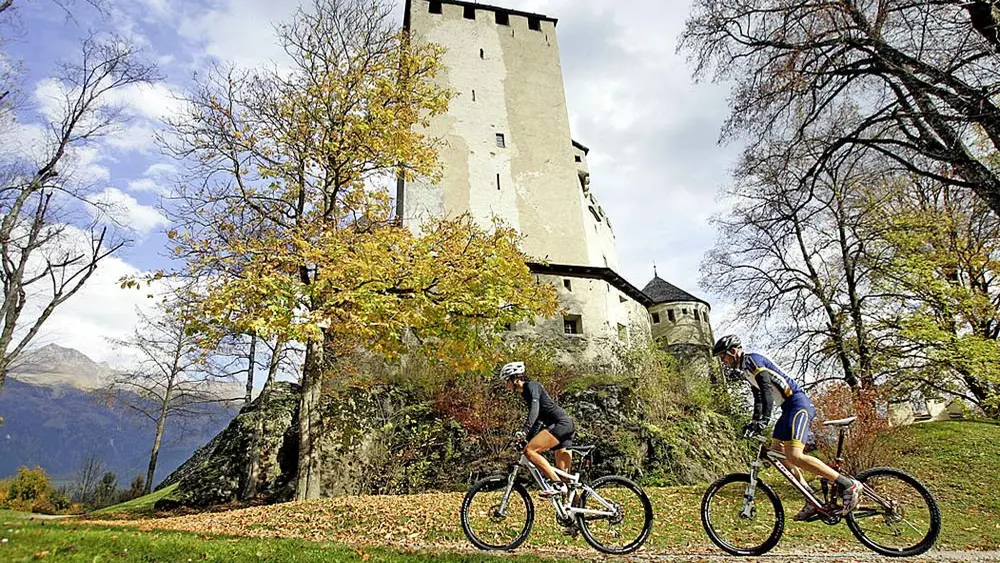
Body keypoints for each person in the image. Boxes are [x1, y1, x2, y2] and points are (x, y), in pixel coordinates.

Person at [713, 335, 864, 519]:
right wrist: (754, 421)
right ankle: (810, 498)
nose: (723, 361)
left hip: (797, 404)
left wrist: (765, 419)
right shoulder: (746, 370)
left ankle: (848, 484)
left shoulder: (752, 360)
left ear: (733, 351)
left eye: (723, 356)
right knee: (776, 453)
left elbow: (766, 389)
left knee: (795, 455)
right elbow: (758, 397)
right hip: (787, 409)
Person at [498, 361, 575, 498]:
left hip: (560, 424)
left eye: (506, 380)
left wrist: (524, 431)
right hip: (563, 426)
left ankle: (557, 484)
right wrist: (526, 438)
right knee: (566, 482)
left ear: (515, 378)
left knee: (530, 451)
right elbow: (538, 420)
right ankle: (578, 509)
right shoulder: (525, 394)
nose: (505, 384)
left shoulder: (532, 386)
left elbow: (534, 411)